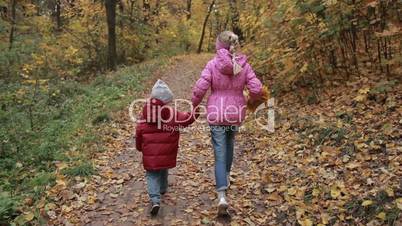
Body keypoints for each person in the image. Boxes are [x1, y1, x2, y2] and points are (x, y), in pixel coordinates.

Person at [191, 31, 263, 216]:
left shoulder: (212, 64)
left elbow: (200, 87)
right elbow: (256, 88)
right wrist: (252, 98)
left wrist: (193, 104)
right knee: (230, 143)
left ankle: (222, 196)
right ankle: (227, 175)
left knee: (219, 152)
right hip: (235, 113)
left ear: (218, 46)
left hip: (216, 112)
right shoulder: (243, 65)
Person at [136, 79, 198, 216]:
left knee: (152, 174)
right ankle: (163, 189)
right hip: (167, 150)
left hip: (150, 152)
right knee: (163, 167)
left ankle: (155, 199)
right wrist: (195, 113)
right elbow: (186, 120)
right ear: (166, 101)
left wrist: (139, 147)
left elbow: (139, 131)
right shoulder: (172, 113)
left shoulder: (144, 114)